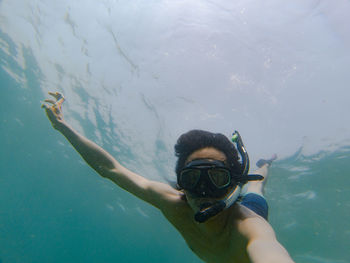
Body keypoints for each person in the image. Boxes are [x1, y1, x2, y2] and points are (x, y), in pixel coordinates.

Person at [42, 91, 295, 263]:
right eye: (193, 178)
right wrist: (63, 127)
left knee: (255, 188)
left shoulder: (250, 227)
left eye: (216, 177)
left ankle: (263, 166)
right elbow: (111, 170)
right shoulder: (171, 202)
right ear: (181, 184)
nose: (204, 190)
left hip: (250, 208)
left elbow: (271, 252)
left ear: (231, 183)